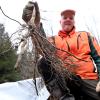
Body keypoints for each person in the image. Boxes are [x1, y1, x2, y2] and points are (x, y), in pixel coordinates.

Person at [37, 9, 100, 100]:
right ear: (60, 21)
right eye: (65, 17)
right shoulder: (53, 40)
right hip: (65, 80)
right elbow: (42, 47)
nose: (68, 19)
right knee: (43, 61)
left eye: (71, 17)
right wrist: (37, 25)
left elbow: (98, 58)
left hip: (88, 79)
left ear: (74, 21)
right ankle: (64, 97)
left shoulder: (86, 36)